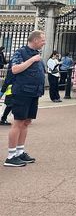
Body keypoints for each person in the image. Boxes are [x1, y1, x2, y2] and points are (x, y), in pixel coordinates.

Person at [4, 30, 46, 167]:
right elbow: (15, 69)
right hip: (22, 92)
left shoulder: (36, 54)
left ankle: (19, 152)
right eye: (42, 40)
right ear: (35, 40)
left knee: (26, 122)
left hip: (33, 93)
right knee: (18, 122)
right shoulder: (20, 52)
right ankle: (10, 156)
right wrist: (32, 60)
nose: (44, 42)